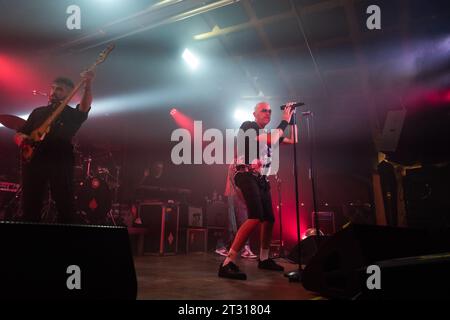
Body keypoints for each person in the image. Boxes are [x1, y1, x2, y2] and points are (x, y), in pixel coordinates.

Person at [218, 101, 297, 280]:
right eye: (263, 111)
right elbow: (271, 139)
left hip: (260, 178)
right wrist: (284, 119)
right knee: (255, 216)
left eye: (270, 111)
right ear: (254, 114)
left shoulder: (267, 134)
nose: (268, 113)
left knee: (269, 218)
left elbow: (293, 140)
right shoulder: (249, 126)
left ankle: (264, 258)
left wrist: (292, 119)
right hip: (245, 174)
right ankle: (227, 263)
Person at [14, 72, 94, 223]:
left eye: (59, 89)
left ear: (70, 93)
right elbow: (20, 133)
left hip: (60, 159)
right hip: (35, 161)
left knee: (65, 204)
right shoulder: (38, 112)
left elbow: (84, 107)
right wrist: (22, 139)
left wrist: (88, 85)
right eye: (53, 88)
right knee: (30, 204)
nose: (54, 92)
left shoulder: (71, 114)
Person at [215, 163, 258, 259]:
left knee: (243, 220)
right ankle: (223, 246)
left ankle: (242, 247)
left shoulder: (248, 162)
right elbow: (235, 181)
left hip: (241, 194)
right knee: (234, 223)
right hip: (234, 193)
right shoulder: (236, 161)